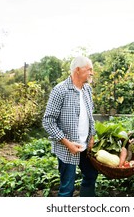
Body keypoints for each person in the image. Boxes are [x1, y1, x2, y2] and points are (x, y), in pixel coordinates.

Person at [42, 56, 98, 197]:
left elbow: (90, 115)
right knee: (67, 187)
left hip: (85, 146)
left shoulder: (87, 90)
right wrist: (67, 143)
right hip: (67, 148)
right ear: (78, 70)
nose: (92, 72)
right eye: (89, 69)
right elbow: (48, 121)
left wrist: (92, 136)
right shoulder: (60, 90)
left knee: (91, 175)